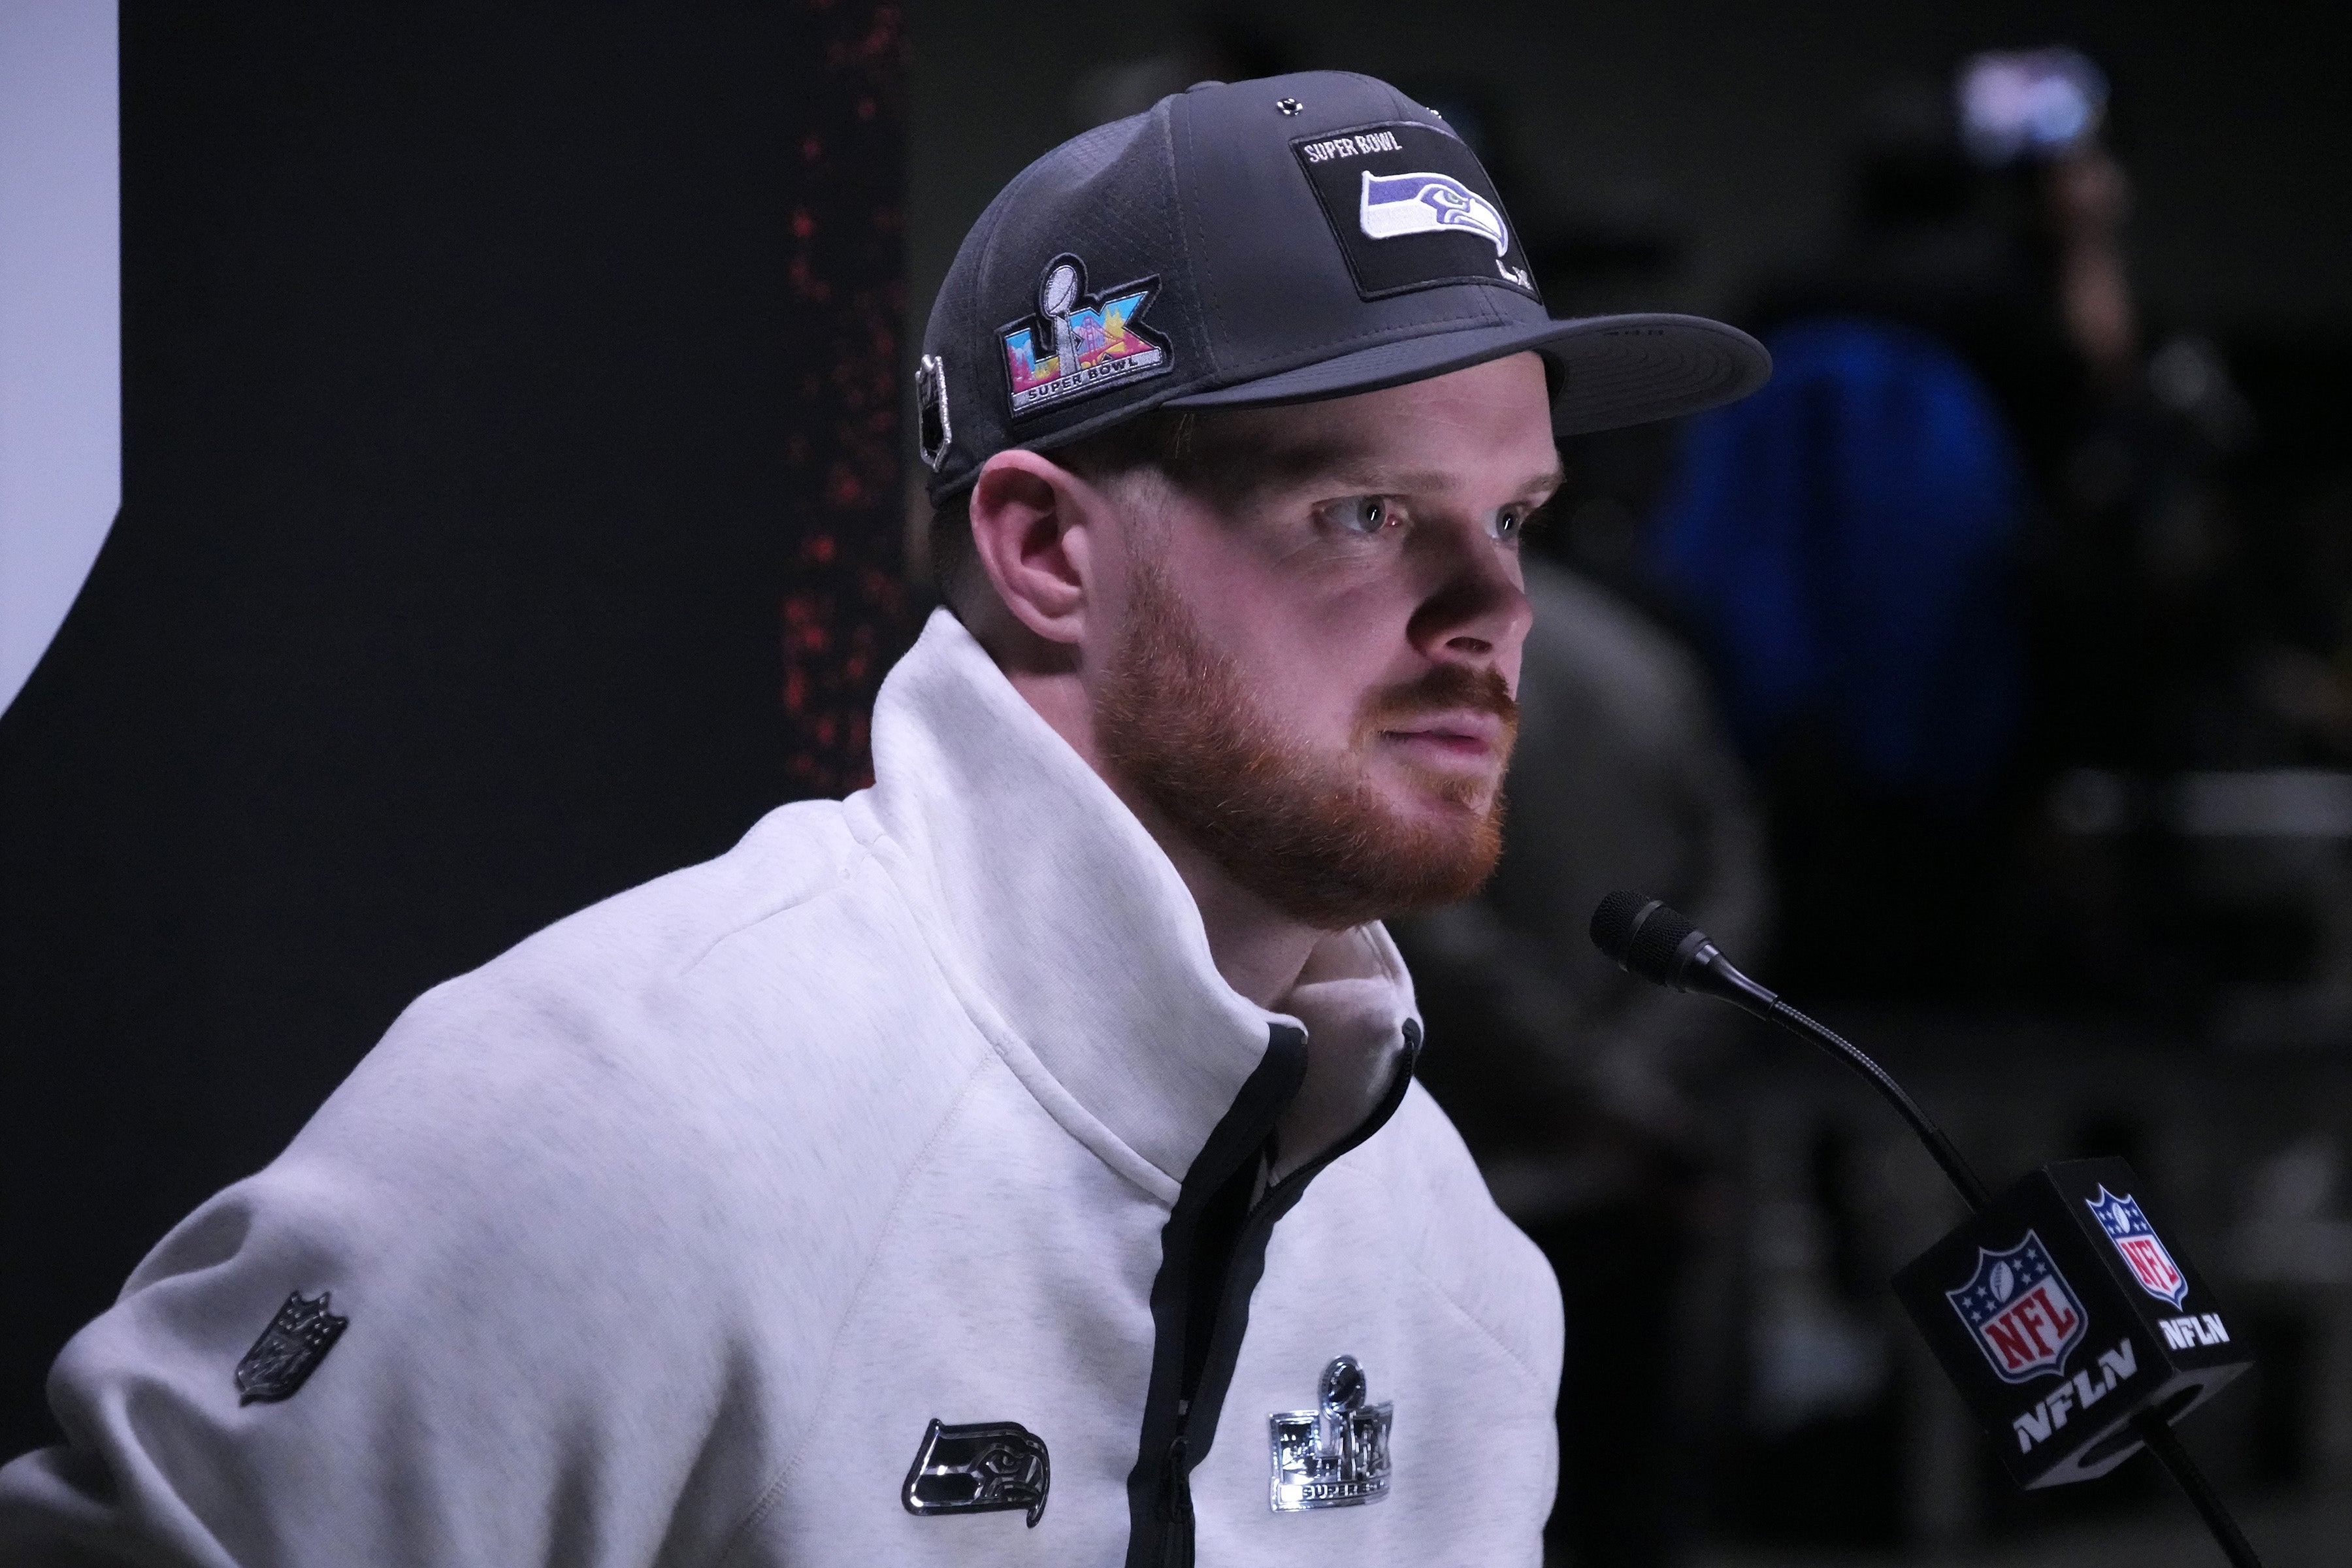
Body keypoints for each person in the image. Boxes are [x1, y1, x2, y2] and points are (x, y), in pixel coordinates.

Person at [0, 71, 1766, 1566]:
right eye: (1367, 513)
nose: (1493, 610)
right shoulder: (618, 1116)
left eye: (1517, 516)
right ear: (1048, 553)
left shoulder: (1449, 1271)